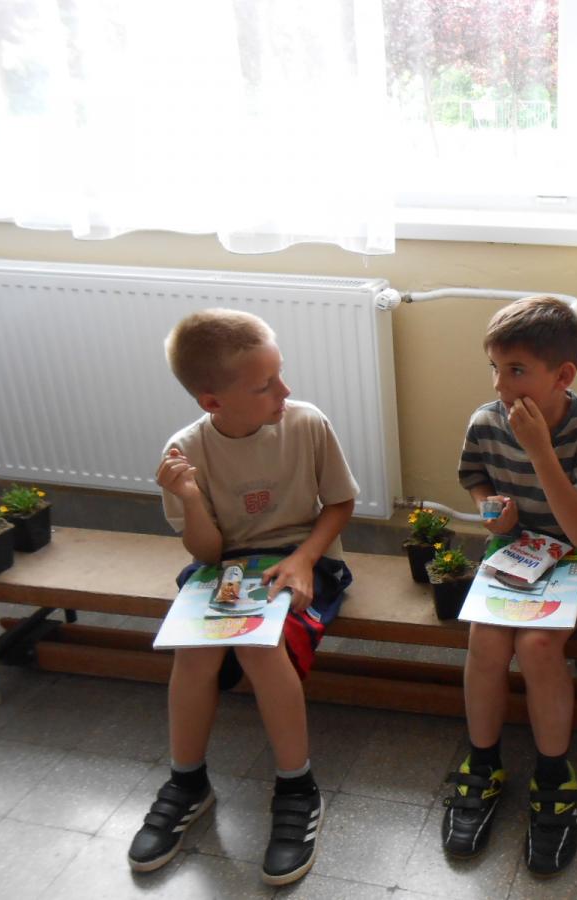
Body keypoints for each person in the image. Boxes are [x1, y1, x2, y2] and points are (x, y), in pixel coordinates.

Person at [128, 309, 359, 886]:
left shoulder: (306, 423)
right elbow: (206, 552)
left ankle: (297, 786)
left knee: (258, 646)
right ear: (212, 402)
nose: (285, 391)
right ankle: (187, 781)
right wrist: (190, 497)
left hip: (306, 559)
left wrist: (304, 558)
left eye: (280, 374)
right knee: (194, 649)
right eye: (265, 385)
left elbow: (339, 503)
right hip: (224, 567)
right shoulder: (185, 451)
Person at [442, 296, 577, 876]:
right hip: (516, 553)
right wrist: (490, 510)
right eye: (495, 368)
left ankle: (553, 774)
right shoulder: (487, 421)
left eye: (517, 370)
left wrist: (541, 451)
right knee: (486, 638)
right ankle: (483, 762)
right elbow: (475, 477)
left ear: (562, 375)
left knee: (540, 643)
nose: (501, 385)